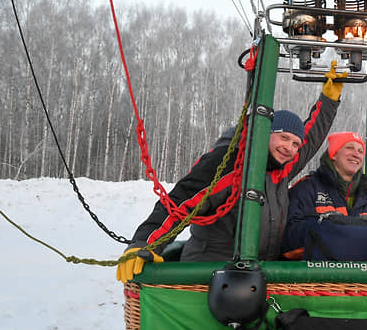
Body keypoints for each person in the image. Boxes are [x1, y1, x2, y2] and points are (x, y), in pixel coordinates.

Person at [117, 63, 348, 283]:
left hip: (252, 279)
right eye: (284, 137)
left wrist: (329, 100)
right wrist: (144, 244)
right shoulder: (230, 163)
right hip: (208, 276)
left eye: (295, 144)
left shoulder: (279, 168)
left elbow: (311, 136)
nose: (290, 148)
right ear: (265, 132)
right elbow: (179, 202)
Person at [282, 131, 367, 260]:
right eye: (349, 148)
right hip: (317, 275)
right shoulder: (307, 188)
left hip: (365, 276)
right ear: (333, 154)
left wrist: (346, 230)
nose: (356, 154)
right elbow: (289, 238)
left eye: (360, 151)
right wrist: (331, 227)